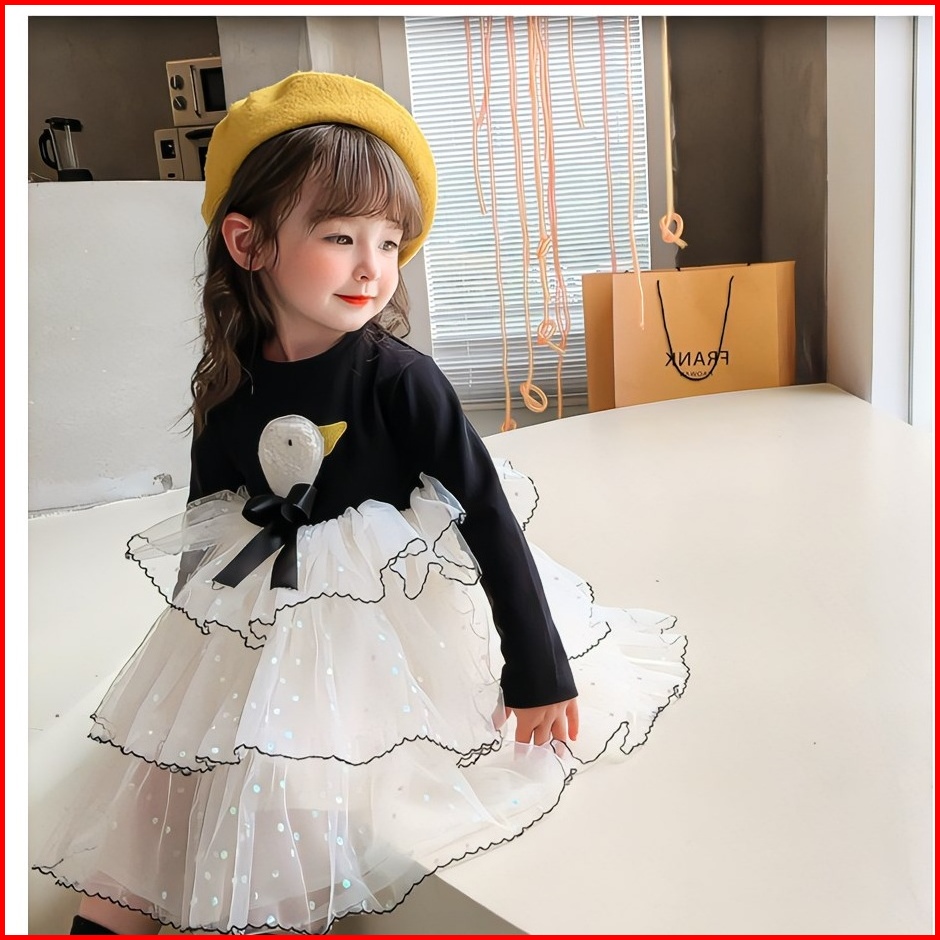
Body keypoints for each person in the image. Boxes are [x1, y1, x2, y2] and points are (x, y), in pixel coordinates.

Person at [34, 71, 688, 935]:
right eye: (340, 236)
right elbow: (208, 510)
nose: (372, 267)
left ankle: (250, 912)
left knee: (281, 770)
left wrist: (536, 668)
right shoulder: (230, 383)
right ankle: (111, 910)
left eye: (389, 241)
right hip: (265, 598)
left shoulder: (400, 380)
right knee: (168, 763)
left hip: (383, 613)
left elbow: (487, 514)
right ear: (248, 242)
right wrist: (198, 643)